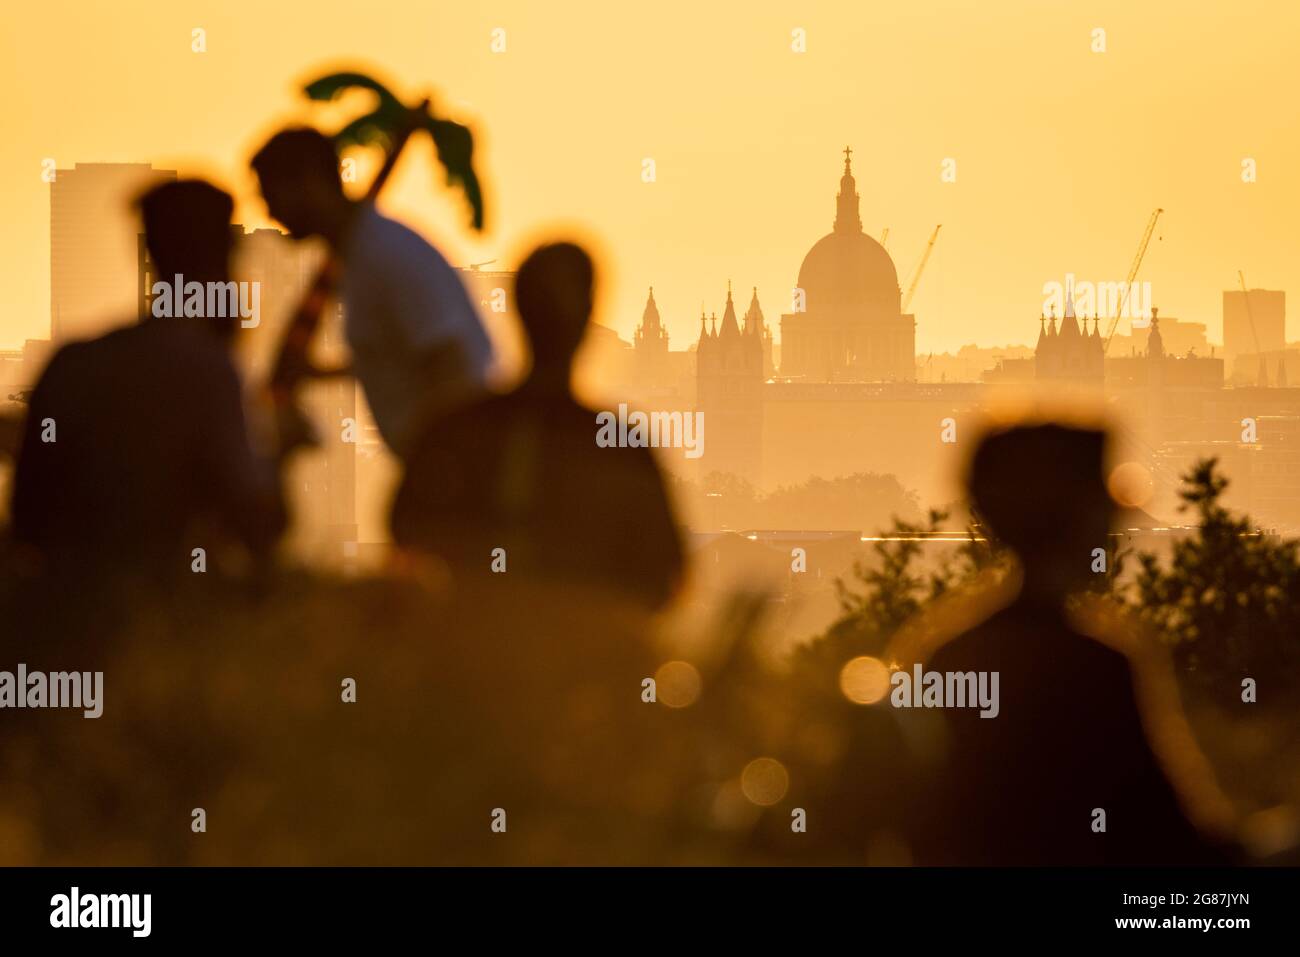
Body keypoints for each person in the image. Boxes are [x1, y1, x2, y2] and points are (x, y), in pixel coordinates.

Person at [905, 423, 1230, 865]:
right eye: (1105, 503)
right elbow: (1168, 838)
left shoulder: (950, 655)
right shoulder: (1094, 666)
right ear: (1074, 520)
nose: (1116, 521)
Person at [9, 180, 288, 583]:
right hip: (164, 610)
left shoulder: (72, 362)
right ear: (222, 257)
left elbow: (27, 515)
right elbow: (258, 522)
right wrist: (285, 448)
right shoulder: (205, 370)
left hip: (63, 609)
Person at [391, 242, 683, 610]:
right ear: (588, 317)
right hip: (578, 659)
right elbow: (662, 579)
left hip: (469, 651)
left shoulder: (455, 431)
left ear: (517, 310)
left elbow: (407, 535)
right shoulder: (619, 448)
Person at [250, 127, 493, 458]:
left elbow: (450, 358)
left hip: (453, 467)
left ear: (308, 182)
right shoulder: (360, 258)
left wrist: (440, 462)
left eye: (270, 195)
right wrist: (317, 374)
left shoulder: (384, 253)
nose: (269, 211)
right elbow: (398, 357)